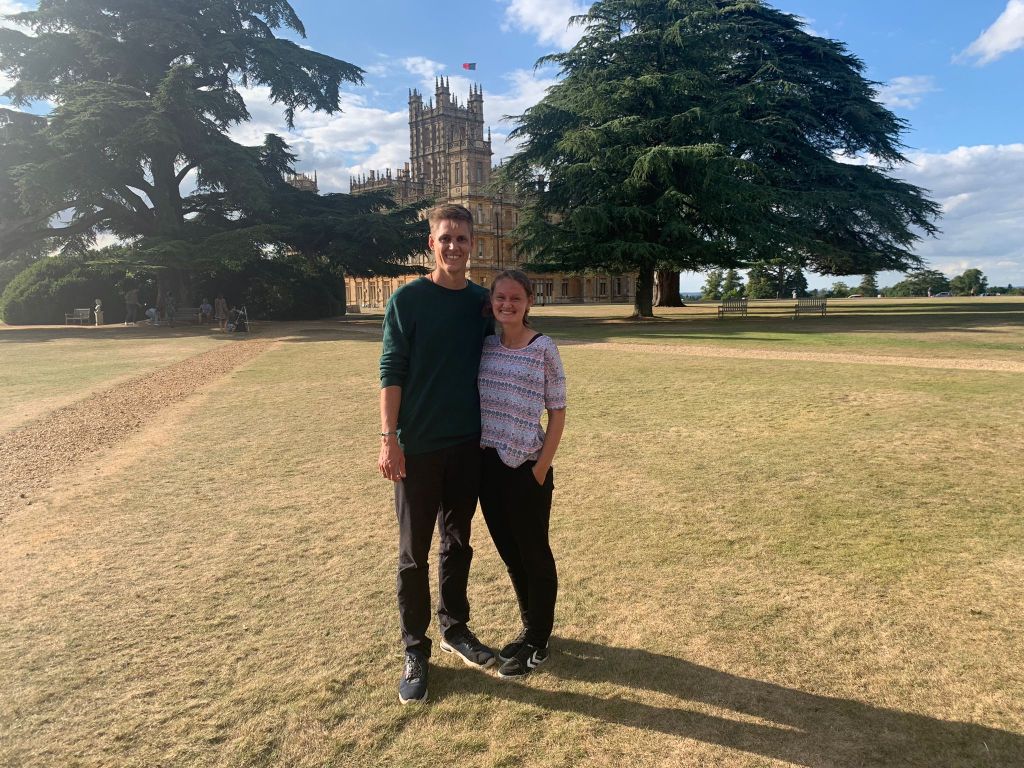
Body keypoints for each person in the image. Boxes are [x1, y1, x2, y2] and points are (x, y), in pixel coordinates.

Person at [379, 203, 495, 704]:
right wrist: (389, 438)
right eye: (445, 238)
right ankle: (415, 648)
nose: (453, 246)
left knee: (458, 543)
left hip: (467, 444)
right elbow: (391, 371)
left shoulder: (482, 303)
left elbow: (503, 357)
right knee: (413, 555)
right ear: (432, 243)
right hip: (419, 448)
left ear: (473, 245)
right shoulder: (407, 299)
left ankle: (455, 628)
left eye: (462, 239)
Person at [478, 270, 567, 678]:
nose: (507, 304)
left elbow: (558, 412)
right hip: (489, 467)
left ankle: (538, 641)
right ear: (492, 302)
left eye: (516, 298)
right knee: (511, 555)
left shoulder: (542, 348)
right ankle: (530, 627)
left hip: (527, 468)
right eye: (501, 297)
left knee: (534, 554)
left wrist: (540, 469)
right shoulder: (487, 347)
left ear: (529, 301)